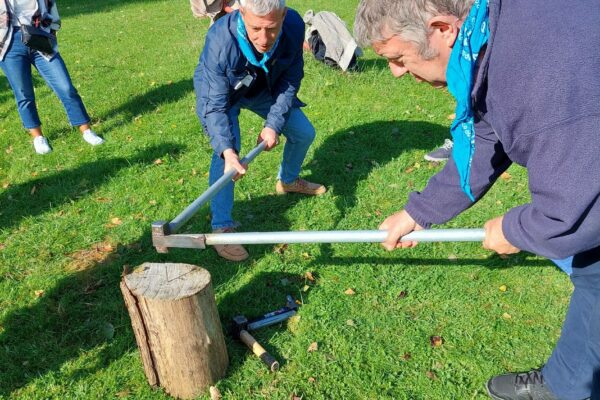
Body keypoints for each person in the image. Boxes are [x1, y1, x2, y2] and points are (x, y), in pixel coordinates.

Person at [354, 0, 600, 399]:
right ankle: (566, 383)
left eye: (398, 58)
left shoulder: (538, 79)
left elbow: (575, 210)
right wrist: (419, 211)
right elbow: (486, 137)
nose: (395, 72)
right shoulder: (492, 38)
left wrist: (514, 230)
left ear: (442, 29)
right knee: (594, 274)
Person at [194, 0, 326, 262]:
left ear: (283, 15)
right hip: (223, 95)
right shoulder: (220, 40)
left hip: (264, 88)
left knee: (303, 133)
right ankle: (222, 227)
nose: (264, 39)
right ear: (241, 13)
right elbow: (214, 106)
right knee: (226, 156)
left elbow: (290, 79)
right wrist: (227, 151)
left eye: (272, 28)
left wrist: (273, 124)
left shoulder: (293, 24)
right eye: (255, 28)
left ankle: (287, 181)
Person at [0, 0, 104, 155]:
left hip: (39, 35)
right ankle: (38, 137)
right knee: (23, 93)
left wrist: (52, 31)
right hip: (9, 44)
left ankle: (86, 130)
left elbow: (51, 8)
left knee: (66, 87)